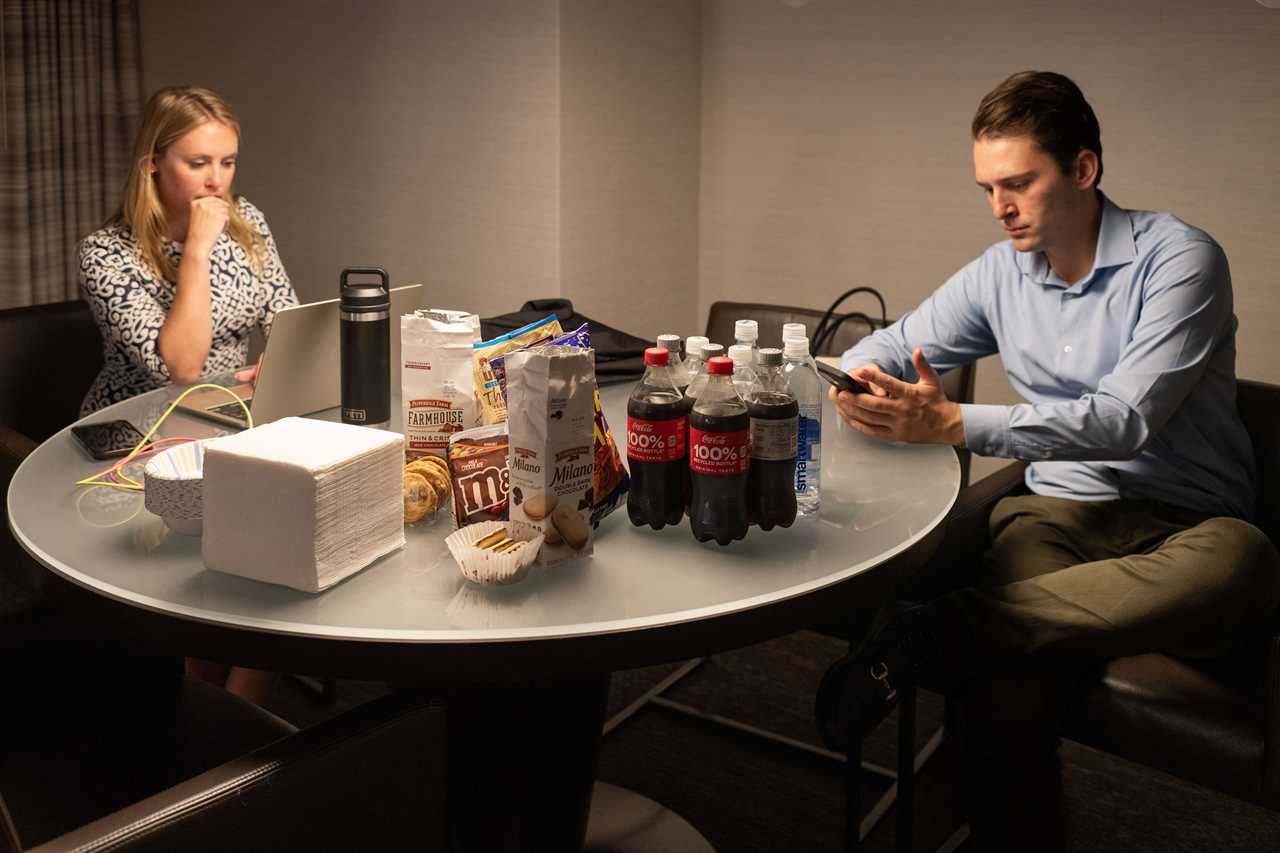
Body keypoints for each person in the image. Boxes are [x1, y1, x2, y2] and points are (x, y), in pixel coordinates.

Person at [815, 70, 1280, 850]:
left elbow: (1124, 421)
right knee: (1009, 694)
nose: (1000, 207)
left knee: (1247, 561)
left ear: (1085, 170)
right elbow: (894, 343)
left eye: (1019, 183)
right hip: (1057, 516)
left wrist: (952, 421)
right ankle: (972, 644)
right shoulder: (1001, 272)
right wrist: (858, 380)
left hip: (1189, 527)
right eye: (988, 187)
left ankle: (950, 629)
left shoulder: (1183, 261)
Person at [78, 86, 297, 706]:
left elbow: (286, 319)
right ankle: (212, 711)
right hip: (144, 433)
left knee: (279, 536)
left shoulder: (247, 221)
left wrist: (273, 368)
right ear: (153, 162)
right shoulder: (105, 254)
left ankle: (229, 711)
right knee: (246, 546)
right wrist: (197, 249)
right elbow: (180, 365)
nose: (216, 182)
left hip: (230, 418)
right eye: (198, 164)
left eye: (227, 162)